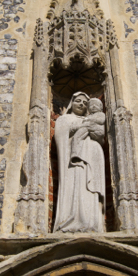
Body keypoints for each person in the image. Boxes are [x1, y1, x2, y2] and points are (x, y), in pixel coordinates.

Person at [53, 92, 106, 233]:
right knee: (76, 186)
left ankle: (92, 222)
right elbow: (61, 136)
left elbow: (101, 135)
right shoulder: (65, 119)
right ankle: (71, 219)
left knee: (91, 190)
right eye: (78, 101)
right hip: (73, 162)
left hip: (93, 157)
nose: (81, 104)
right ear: (71, 103)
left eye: (84, 103)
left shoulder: (93, 119)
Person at [71, 98, 105, 168]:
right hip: (89, 130)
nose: (94, 106)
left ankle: (75, 151)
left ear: (101, 107)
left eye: (96, 105)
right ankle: (75, 152)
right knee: (78, 135)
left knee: (81, 132)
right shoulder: (89, 116)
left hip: (97, 131)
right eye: (91, 105)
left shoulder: (100, 114)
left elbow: (101, 120)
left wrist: (89, 120)